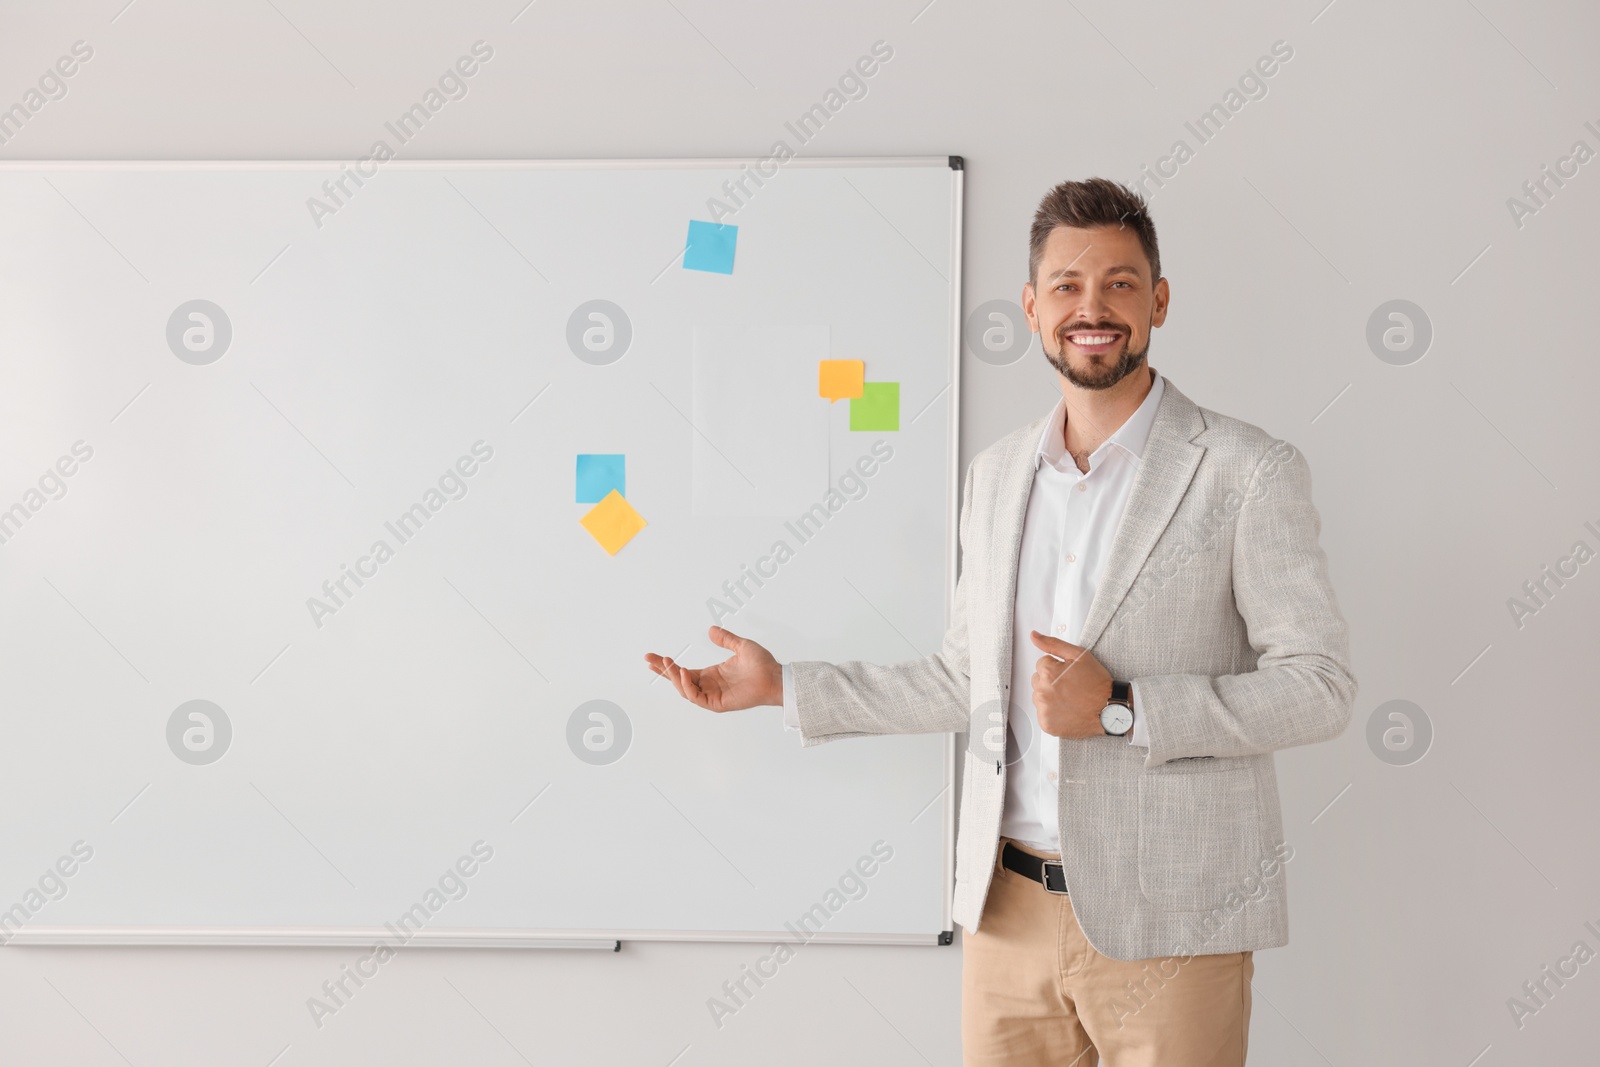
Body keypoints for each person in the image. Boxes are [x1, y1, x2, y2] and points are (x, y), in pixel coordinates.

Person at [644, 177, 1355, 1066]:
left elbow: (1319, 687)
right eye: (1066, 285)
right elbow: (964, 679)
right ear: (1030, 306)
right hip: (1006, 909)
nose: (1091, 307)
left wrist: (1122, 707)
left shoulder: (1246, 471)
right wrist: (783, 686)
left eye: (1120, 283)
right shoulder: (997, 474)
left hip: (1173, 917)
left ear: (1159, 300)